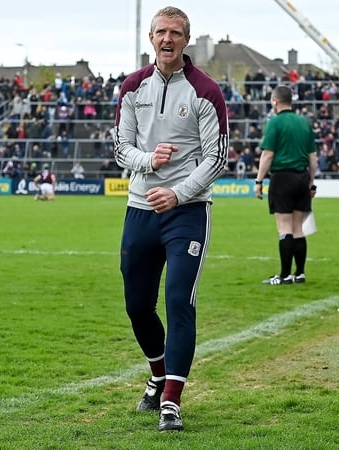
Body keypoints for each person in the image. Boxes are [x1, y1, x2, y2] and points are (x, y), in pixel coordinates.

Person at [114, 6, 229, 432]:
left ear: (186, 40)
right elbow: (121, 149)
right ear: (150, 38)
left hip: (188, 211)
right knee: (137, 306)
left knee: (179, 299)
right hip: (140, 210)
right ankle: (158, 372)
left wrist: (178, 192)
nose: (167, 39)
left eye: (175, 33)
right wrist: (149, 161)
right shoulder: (132, 87)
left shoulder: (205, 91)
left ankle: (170, 400)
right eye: (161, 31)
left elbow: (217, 158)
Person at [254, 85, 318, 285]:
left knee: (284, 227)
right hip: (302, 177)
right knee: (298, 227)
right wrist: (311, 182)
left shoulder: (275, 123)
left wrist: (259, 180)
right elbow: (313, 157)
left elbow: (268, 154)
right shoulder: (304, 123)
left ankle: (284, 275)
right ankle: (299, 273)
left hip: (282, 178)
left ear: (275, 101)